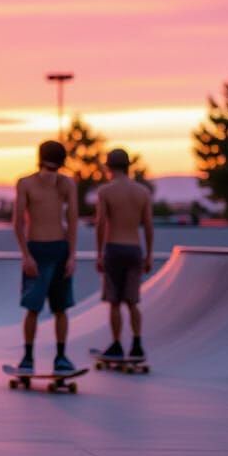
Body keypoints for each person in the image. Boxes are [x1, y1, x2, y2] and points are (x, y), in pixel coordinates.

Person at [12, 141, 78, 373]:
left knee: (60, 308)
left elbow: (72, 220)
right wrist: (26, 255)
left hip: (59, 249)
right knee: (33, 308)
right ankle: (28, 357)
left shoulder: (67, 184)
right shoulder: (26, 183)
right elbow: (18, 222)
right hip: (37, 250)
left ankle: (61, 356)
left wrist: (71, 256)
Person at [95, 148, 153, 359]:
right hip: (134, 249)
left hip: (114, 248)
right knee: (133, 301)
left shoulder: (105, 192)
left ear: (109, 167)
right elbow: (148, 225)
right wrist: (149, 254)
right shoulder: (142, 192)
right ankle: (137, 345)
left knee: (115, 302)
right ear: (128, 166)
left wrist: (99, 253)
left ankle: (117, 344)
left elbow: (101, 223)